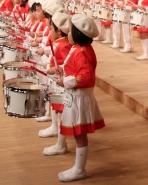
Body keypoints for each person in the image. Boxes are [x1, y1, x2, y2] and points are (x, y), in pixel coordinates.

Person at [45, 15, 105, 182]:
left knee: (80, 135)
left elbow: (85, 77)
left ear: (78, 34)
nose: (67, 33)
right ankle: (78, 167)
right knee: (78, 134)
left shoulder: (82, 52)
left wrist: (65, 80)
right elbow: (71, 66)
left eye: (71, 30)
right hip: (75, 96)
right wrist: (60, 70)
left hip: (80, 99)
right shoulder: (77, 49)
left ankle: (79, 169)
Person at [39, 11, 72, 139]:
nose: (49, 30)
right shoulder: (59, 43)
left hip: (60, 83)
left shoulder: (63, 45)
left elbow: (67, 65)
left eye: (52, 28)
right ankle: (58, 138)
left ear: (58, 31)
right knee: (56, 108)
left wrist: (56, 69)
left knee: (60, 112)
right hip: (56, 81)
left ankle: (61, 142)